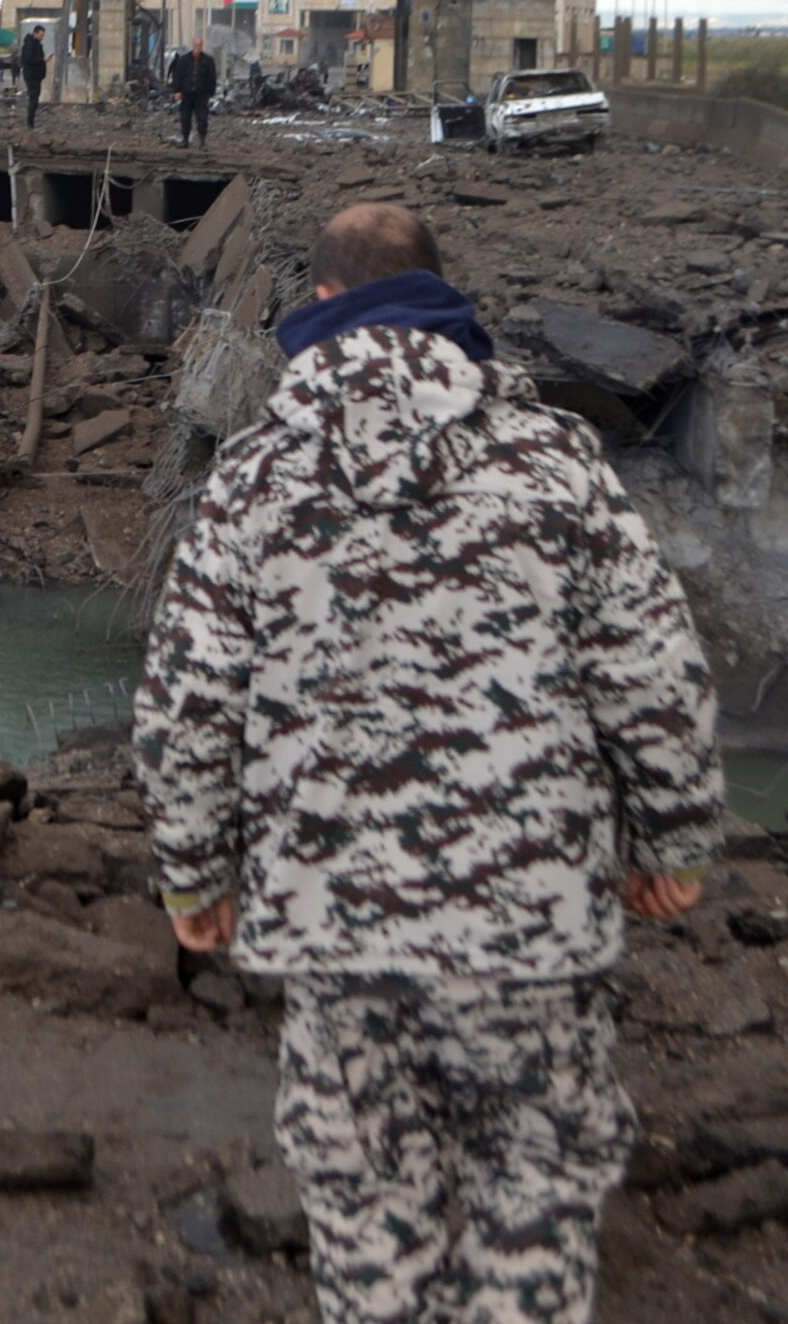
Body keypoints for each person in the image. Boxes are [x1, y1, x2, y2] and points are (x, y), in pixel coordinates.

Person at [132, 203, 722, 1324]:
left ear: (320, 305)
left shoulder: (254, 478)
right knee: (534, 1187)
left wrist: (195, 873)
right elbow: (652, 669)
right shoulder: (555, 459)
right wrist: (672, 839)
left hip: (337, 922)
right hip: (534, 916)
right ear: (442, 300)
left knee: (367, 1201)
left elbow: (188, 700)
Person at [170, 38, 217, 147]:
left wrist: (210, 92)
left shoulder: (208, 61)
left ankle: (202, 142)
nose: (197, 47)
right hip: (186, 94)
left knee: (202, 118)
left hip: (201, 95)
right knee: (185, 117)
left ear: (202, 46)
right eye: (196, 44)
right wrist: (177, 90)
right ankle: (185, 140)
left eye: (199, 45)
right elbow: (178, 76)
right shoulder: (184, 60)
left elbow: (212, 77)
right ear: (192, 45)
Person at [18, 24, 48, 128]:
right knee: (33, 98)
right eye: (41, 35)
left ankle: (31, 121)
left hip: (36, 75)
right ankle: (30, 122)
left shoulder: (36, 44)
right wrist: (42, 60)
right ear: (35, 33)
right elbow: (29, 59)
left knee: (34, 98)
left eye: (43, 35)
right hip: (32, 75)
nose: (42, 37)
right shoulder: (30, 44)